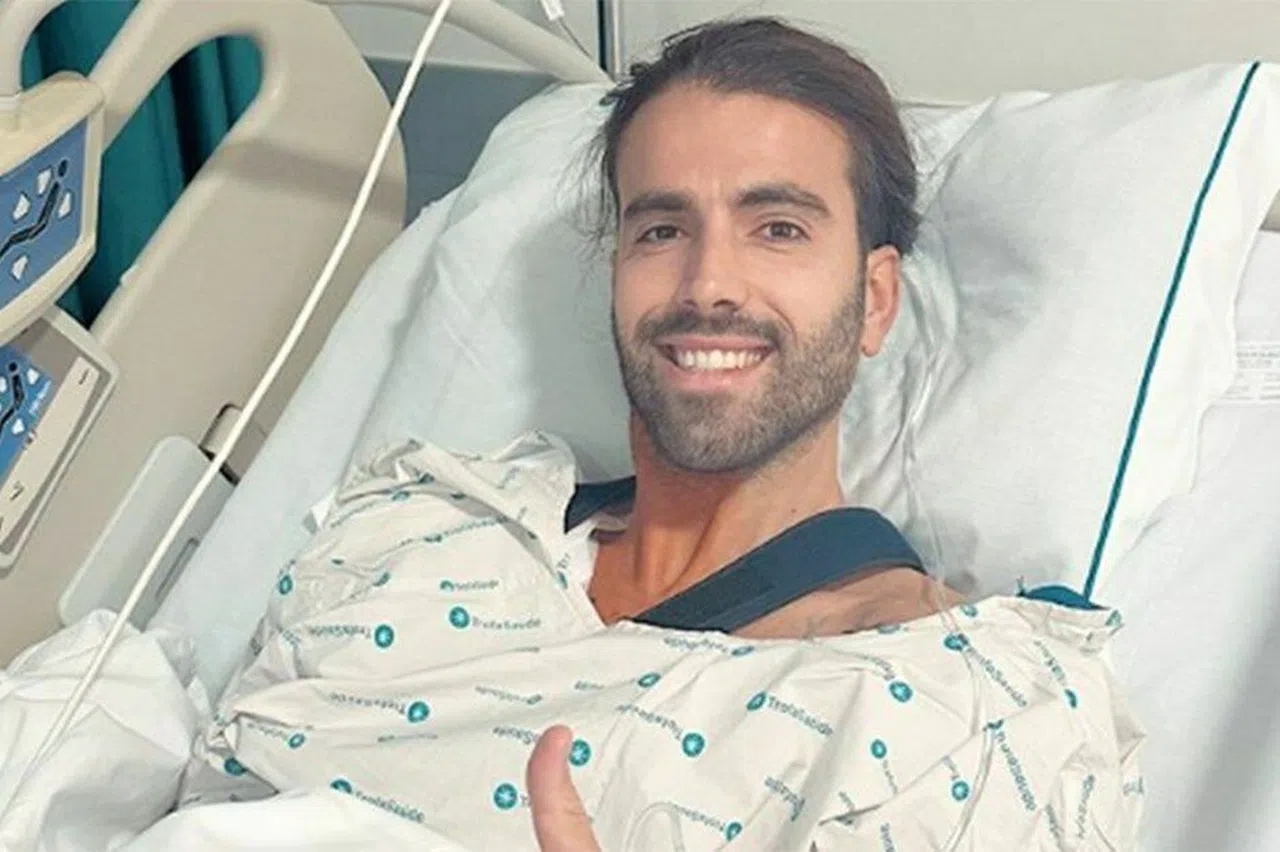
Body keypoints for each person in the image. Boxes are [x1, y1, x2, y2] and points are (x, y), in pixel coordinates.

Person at [174, 16, 1144, 851]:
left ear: (875, 300)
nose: (707, 284)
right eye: (661, 230)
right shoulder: (426, 524)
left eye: (777, 228)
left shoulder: (969, 710)